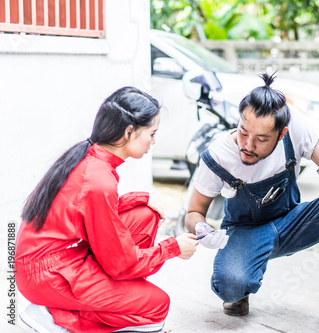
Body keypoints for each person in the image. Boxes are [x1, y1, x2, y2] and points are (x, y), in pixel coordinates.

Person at [185, 73, 319, 333]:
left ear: (282, 132)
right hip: (246, 232)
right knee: (230, 286)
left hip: (292, 224)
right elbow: (194, 211)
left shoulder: (295, 129)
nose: (248, 145)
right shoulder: (218, 155)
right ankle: (240, 286)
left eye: (262, 139)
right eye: (243, 132)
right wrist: (201, 228)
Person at [15, 87, 199, 333]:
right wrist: (173, 248)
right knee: (156, 307)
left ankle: (110, 298)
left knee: (145, 214)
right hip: (48, 276)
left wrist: (139, 199)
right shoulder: (98, 178)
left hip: (58, 259)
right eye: (152, 134)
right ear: (128, 132)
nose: (153, 142)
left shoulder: (91, 157)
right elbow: (120, 264)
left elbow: (86, 212)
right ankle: (53, 315)